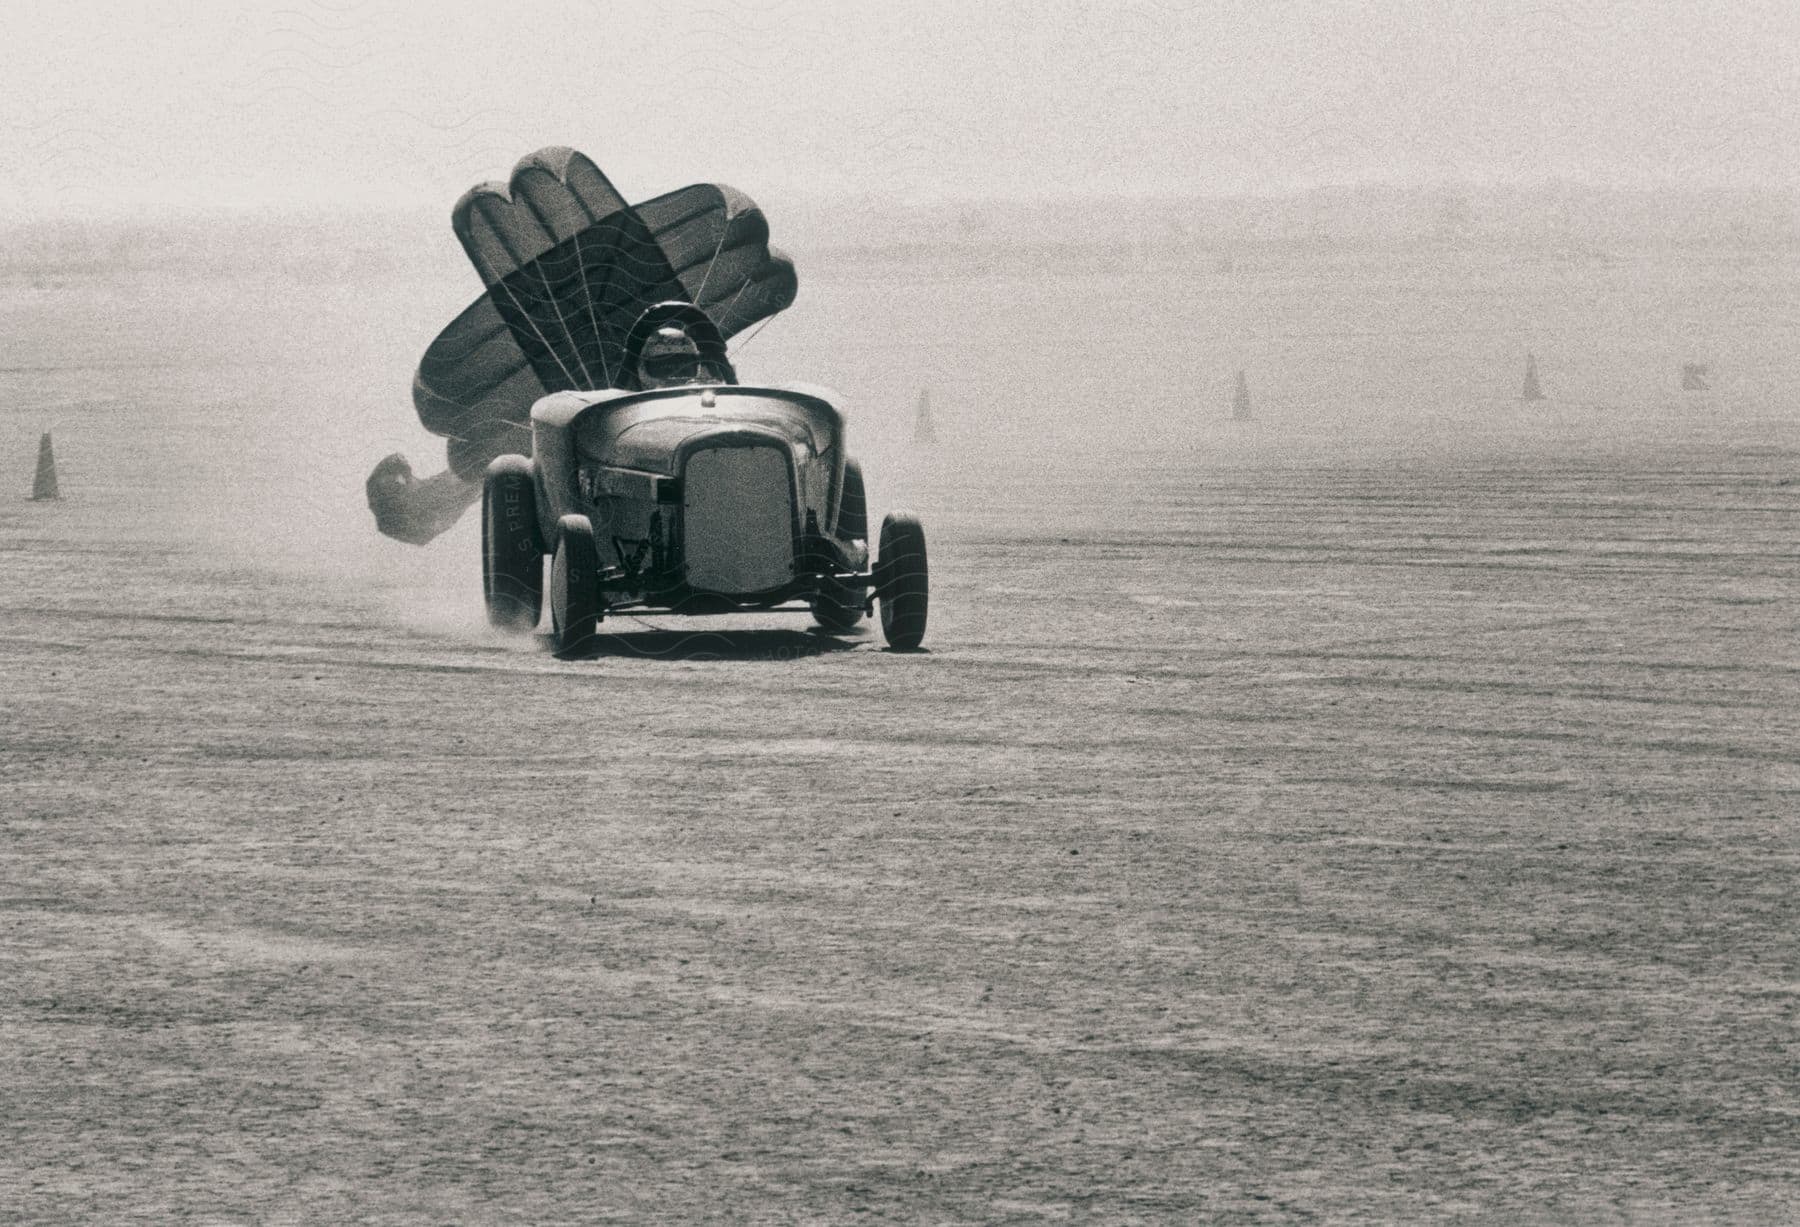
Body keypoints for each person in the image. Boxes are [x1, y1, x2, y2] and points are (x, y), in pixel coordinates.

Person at [635, 324, 718, 389]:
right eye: (666, 370)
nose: (674, 378)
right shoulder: (632, 405)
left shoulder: (705, 397)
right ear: (644, 368)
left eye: (683, 370)